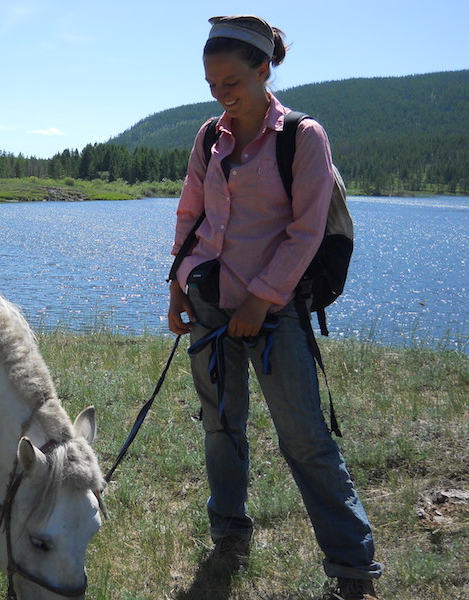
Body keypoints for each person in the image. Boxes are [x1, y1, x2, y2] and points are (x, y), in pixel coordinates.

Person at [167, 15, 382, 600]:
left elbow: (306, 230)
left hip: (276, 311)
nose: (221, 95)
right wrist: (177, 287)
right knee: (220, 425)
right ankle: (229, 530)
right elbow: (191, 216)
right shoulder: (210, 135)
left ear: (265, 70)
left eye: (232, 81)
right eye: (212, 84)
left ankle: (352, 567)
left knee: (305, 438)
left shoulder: (303, 138)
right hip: (210, 305)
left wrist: (262, 301)